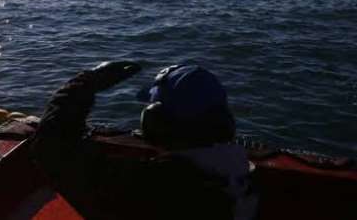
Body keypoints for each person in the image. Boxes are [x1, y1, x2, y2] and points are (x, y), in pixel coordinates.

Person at [31, 61, 258, 220]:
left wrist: (84, 85)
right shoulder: (238, 170)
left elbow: (51, 151)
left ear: (157, 122)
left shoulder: (156, 185)